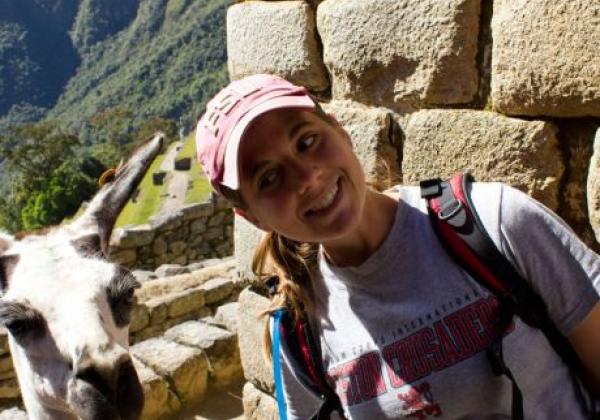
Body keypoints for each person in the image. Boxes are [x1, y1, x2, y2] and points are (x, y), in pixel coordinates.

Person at [195, 74, 600, 419]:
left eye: (306, 141)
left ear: (340, 130)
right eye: (268, 178)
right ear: (253, 218)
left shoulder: (495, 224)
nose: (306, 178)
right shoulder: (300, 329)